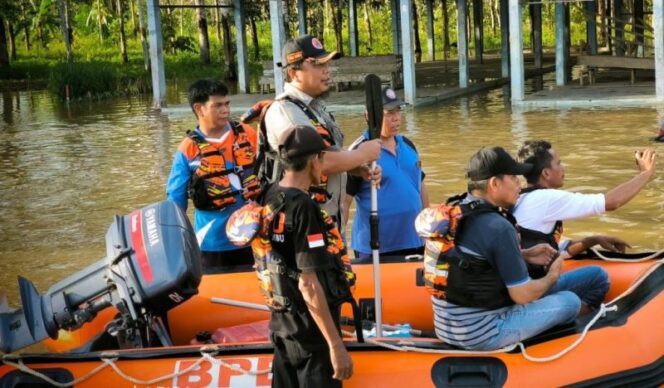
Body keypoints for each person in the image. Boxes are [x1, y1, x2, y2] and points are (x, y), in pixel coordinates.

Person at [424, 147, 609, 351]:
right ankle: (585, 340)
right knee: (570, 301)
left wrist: (524, 256)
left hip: (447, 326)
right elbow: (522, 295)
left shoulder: (459, 212)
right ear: (494, 183)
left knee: (595, 277)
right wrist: (552, 275)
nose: (519, 183)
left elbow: (473, 263)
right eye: (513, 177)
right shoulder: (498, 226)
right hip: (484, 330)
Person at [259, 125, 353, 387]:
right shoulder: (304, 208)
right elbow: (309, 284)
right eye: (323, 157)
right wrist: (336, 345)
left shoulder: (271, 195)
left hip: (282, 327)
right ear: (314, 160)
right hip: (311, 337)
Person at [262, 34, 381, 230]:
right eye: (318, 65)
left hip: (326, 220)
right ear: (293, 73)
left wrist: (356, 167)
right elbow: (315, 162)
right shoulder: (285, 111)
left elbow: (330, 151)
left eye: (327, 64)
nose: (327, 71)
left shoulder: (315, 107)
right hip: (300, 224)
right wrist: (362, 154)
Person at [513, 140, 657, 274]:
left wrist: (592, 240)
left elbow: (555, 252)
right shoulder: (546, 198)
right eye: (559, 163)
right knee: (597, 275)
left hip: (524, 274)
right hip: (532, 281)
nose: (564, 168)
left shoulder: (524, 197)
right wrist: (646, 174)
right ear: (546, 173)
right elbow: (612, 202)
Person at [166, 79, 259, 271]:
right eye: (217, 106)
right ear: (199, 109)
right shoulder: (187, 150)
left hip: (256, 235)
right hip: (212, 242)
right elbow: (176, 201)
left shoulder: (248, 134)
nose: (225, 110)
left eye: (227, 104)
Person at [342, 87, 429, 261]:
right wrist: (338, 243)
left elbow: (420, 186)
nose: (396, 117)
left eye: (398, 110)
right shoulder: (360, 150)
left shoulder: (408, 145)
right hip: (376, 246)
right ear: (369, 116)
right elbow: (343, 202)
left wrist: (429, 229)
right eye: (389, 112)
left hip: (414, 239)